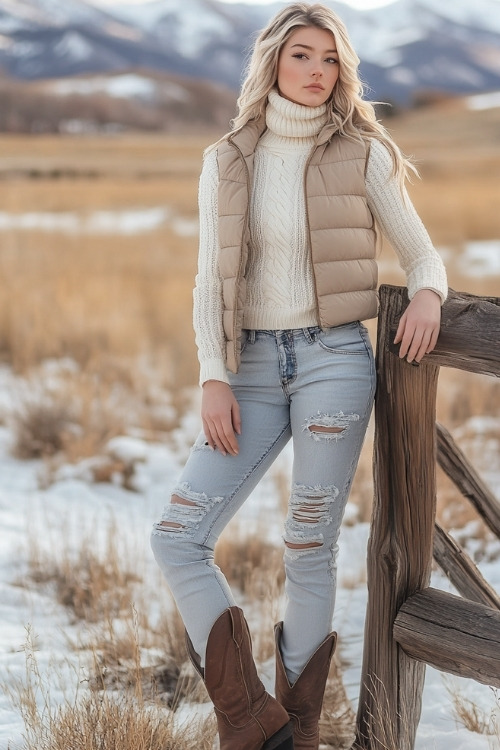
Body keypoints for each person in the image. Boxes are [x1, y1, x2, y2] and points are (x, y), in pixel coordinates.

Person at [151, 3, 447, 749]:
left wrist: (429, 298)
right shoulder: (228, 157)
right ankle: (254, 720)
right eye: (301, 57)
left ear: (342, 70)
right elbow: (206, 286)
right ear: (273, 64)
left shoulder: (364, 153)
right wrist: (212, 376)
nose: (316, 72)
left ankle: (300, 733)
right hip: (247, 367)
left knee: (309, 546)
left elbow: (422, 254)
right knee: (176, 538)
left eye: (329, 59)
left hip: (333, 363)